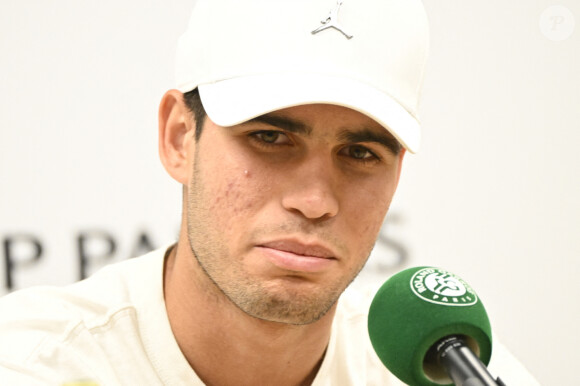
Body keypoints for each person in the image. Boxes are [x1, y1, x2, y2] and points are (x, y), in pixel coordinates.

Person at [0, 0, 539, 385]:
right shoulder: (32, 365)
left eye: (359, 153)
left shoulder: (446, 373)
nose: (314, 200)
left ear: (397, 172)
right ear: (179, 138)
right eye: (270, 137)